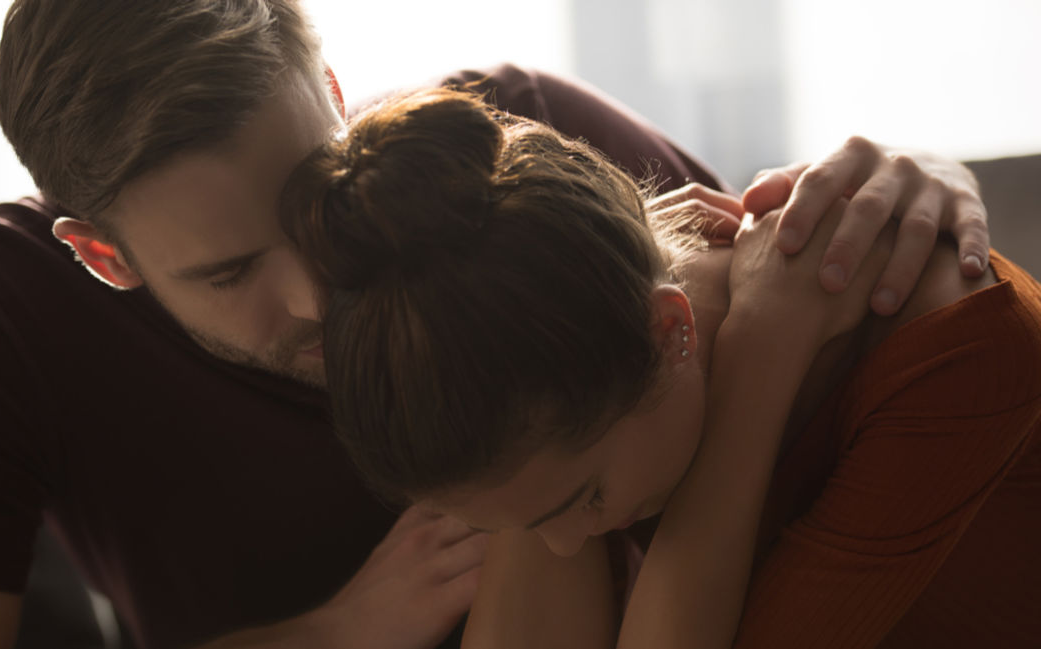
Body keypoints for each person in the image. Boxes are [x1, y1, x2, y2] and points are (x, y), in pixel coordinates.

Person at [0, 1, 995, 648]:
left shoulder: (511, 155)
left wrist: (903, 179)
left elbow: (773, 325)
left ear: (334, 100)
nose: (316, 295)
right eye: (228, 270)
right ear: (101, 254)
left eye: (311, 199)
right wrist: (332, 635)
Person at [280, 88, 1041, 648]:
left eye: (585, 498)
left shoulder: (958, 350)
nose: (567, 546)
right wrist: (755, 353)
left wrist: (759, 360)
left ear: (672, 329)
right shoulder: (559, 385)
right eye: (511, 526)